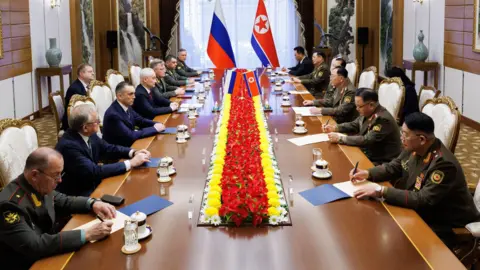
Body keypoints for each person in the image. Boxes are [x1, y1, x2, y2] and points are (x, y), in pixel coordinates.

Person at [351, 112, 480, 248]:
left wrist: (381, 191)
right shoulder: (414, 146)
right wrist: (367, 173)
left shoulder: (443, 165)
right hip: (422, 210)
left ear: (422, 139)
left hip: (444, 222)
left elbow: (423, 199)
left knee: (392, 240)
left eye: (405, 134)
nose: (401, 138)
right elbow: (394, 166)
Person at [0, 147, 116, 269]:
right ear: (34, 174)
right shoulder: (8, 205)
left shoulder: (38, 183)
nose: (60, 180)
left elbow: (64, 201)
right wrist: (87, 234)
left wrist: (93, 203)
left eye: (61, 174)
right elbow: (34, 245)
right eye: (56, 176)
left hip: (49, 252)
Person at [56, 103, 151, 196]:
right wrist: (131, 163)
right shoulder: (69, 146)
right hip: (79, 194)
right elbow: (93, 171)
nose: (100, 122)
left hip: (92, 183)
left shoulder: (88, 134)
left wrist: (133, 152)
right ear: (85, 127)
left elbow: (108, 148)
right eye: (96, 121)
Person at [324, 89, 402, 165]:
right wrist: (335, 127)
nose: (357, 109)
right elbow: (355, 124)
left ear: (371, 105)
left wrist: (340, 138)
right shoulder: (368, 111)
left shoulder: (383, 119)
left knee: (341, 162)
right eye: (356, 106)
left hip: (381, 162)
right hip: (367, 153)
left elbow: (367, 140)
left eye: (359, 106)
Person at [102, 81, 166, 147]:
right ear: (119, 96)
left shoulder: (126, 105)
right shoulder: (113, 115)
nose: (134, 97)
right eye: (130, 94)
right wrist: (154, 129)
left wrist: (156, 124)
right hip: (119, 151)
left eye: (134, 94)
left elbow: (140, 120)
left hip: (130, 144)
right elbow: (130, 135)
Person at [62, 64, 95, 130]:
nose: (93, 73)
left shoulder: (86, 85)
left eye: (92, 71)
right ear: (81, 74)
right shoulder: (75, 89)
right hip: (74, 123)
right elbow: (80, 111)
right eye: (90, 72)